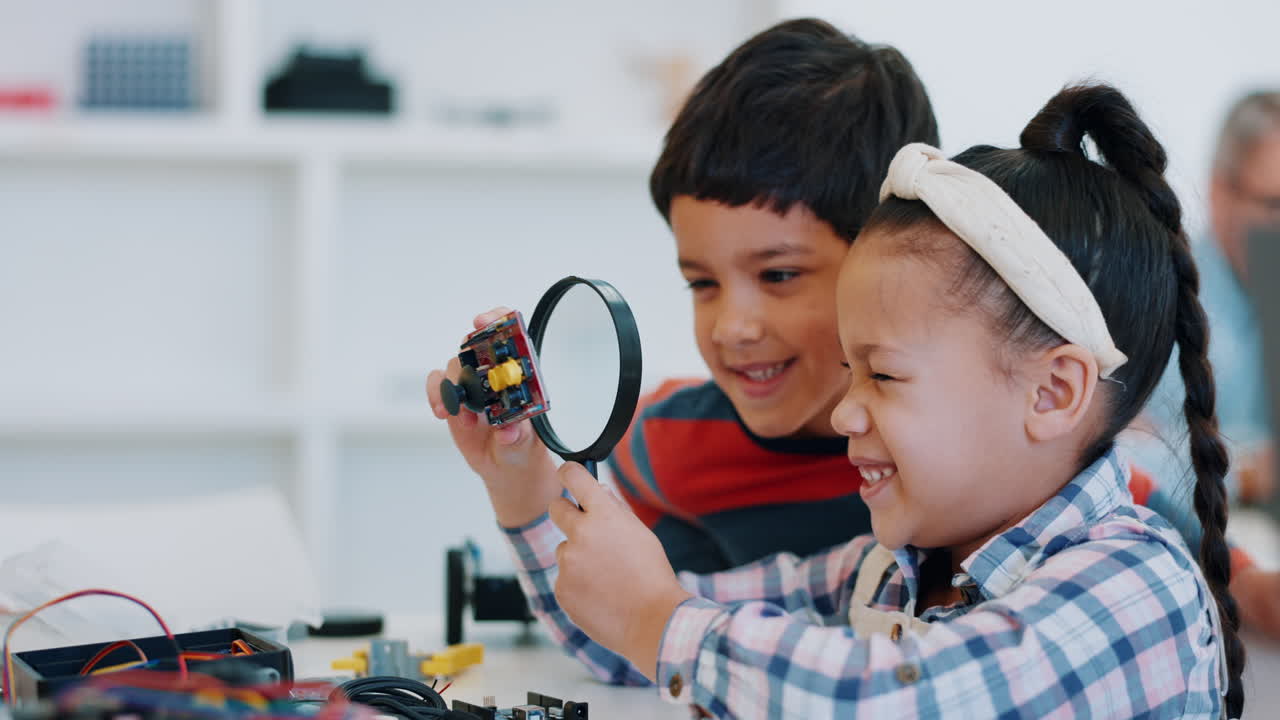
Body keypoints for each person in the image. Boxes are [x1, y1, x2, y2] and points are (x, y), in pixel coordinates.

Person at [506, 85, 1244, 717]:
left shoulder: (1133, 588)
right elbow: (612, 628)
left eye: (883, 377)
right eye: (847, 371)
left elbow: (888, 703)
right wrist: (519, 489)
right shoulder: (890, 569)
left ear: (1052, 393)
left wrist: (659, 622)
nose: (842, 414)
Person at [427, 18, 940, 573]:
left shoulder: (967, 444)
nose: (731, 328)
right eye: (702, 283)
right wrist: (519, 489)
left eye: (779, 276)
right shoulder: (666, 446)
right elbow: (641, 629)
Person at [1133, 90, 1280, 639]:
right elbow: (1121, 454)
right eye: (1276, 203)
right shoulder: (1159, 297)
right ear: (1220, 193)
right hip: (1211, 566)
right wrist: (1250, 466)